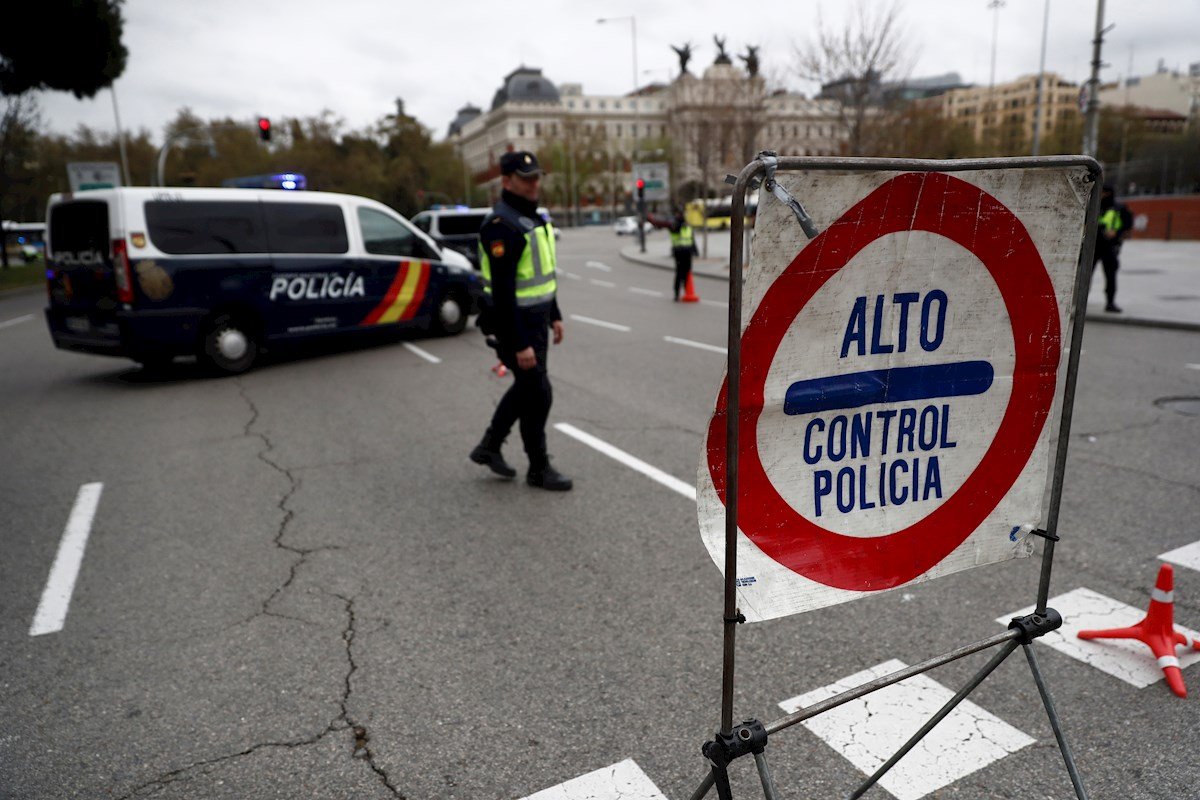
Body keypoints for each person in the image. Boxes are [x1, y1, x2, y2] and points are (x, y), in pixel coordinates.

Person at [469, 151, 572, 491]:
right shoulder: (503, 225)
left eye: (536, 176)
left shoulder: (532, 218)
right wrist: (519, 343)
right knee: (538, 394)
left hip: (536, 322)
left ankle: (489, 446)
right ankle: (538, 468)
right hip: (516, 326)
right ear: (507, 181)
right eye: (526, 178)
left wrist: (554, 315)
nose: (534, 183)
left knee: (529, 389)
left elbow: (542, 276)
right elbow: (503, 295)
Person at [1094, 184, 1133, 313]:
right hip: (1093, 246)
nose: (1101, 195)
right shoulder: (1094, 205)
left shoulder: (1119, 208)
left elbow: (1128, 224)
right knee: (1084, 276)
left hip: (1110, 246)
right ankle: (1077, 302)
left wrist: (1116, 232)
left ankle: (1110, 303)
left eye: (1103, 193)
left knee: (1111, 276)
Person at [647, 206, 698, 300]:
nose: (681, 215)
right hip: (679, 252)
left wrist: (695, 251)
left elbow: (692, 238)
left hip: (687, 252)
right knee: (679, 273)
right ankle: (677, 293)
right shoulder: (674, 224)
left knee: (687, 272)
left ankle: (686, 292)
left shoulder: (687, 225)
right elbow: (671, 228)